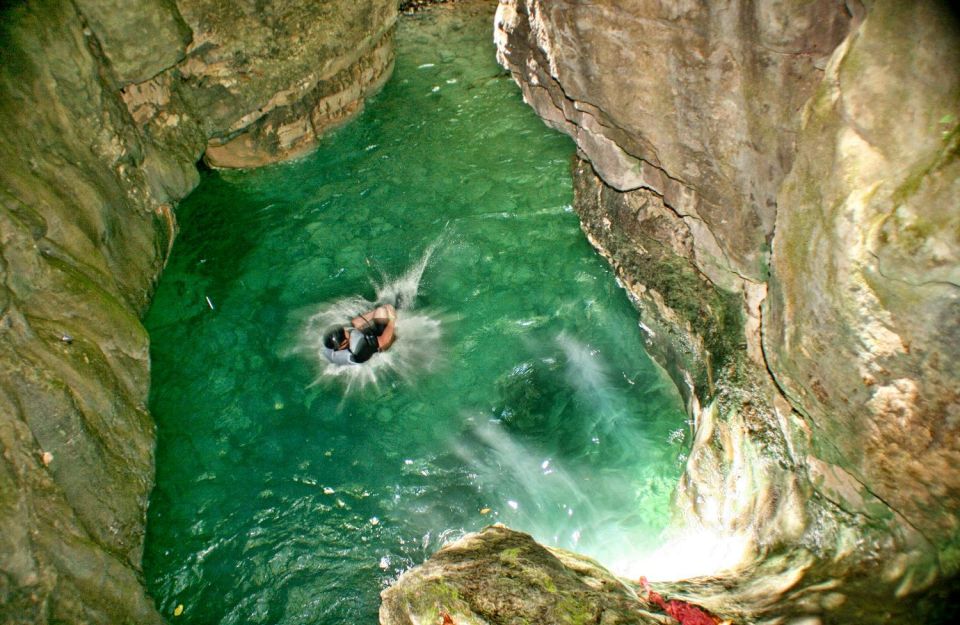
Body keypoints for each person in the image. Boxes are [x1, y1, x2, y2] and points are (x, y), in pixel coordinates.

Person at [322, 304, 397, 365]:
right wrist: (392, 318)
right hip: (375, 347)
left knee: (380, 310)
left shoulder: (329, 347)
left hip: (358, 344)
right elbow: (384, 342)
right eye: (344, 331)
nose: (345, 329)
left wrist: (375, 312)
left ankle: (382, 311)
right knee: (382, 313)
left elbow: (354, 324)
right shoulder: (358, 349)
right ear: (344, 343)